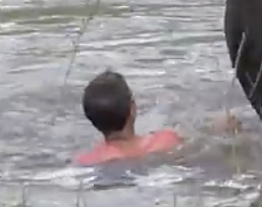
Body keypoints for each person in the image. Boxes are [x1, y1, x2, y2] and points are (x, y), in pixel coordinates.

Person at [74, 69, 242, 166]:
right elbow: (203, 142)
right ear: (133, 109)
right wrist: (219, 128)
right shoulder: (163, 141)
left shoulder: (86, 160)